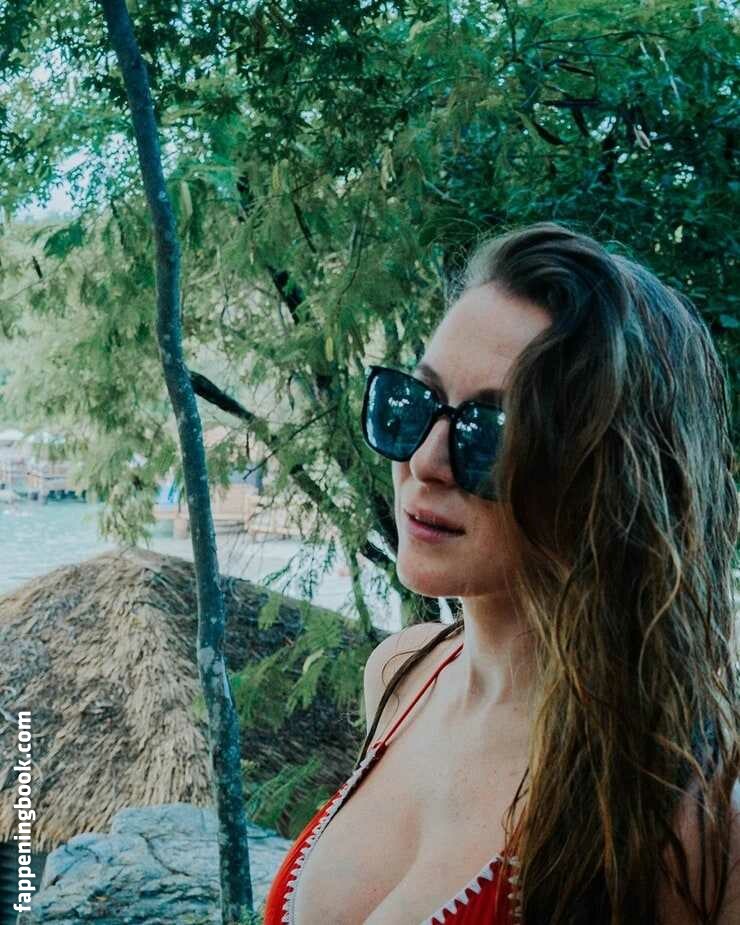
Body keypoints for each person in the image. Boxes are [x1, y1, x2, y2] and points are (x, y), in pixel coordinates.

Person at [263, 221, 740, 924]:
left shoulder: (683, 805)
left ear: (605, 480)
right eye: (414, 404)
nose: (424, 461)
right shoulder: (401, 675)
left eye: (491, 434)